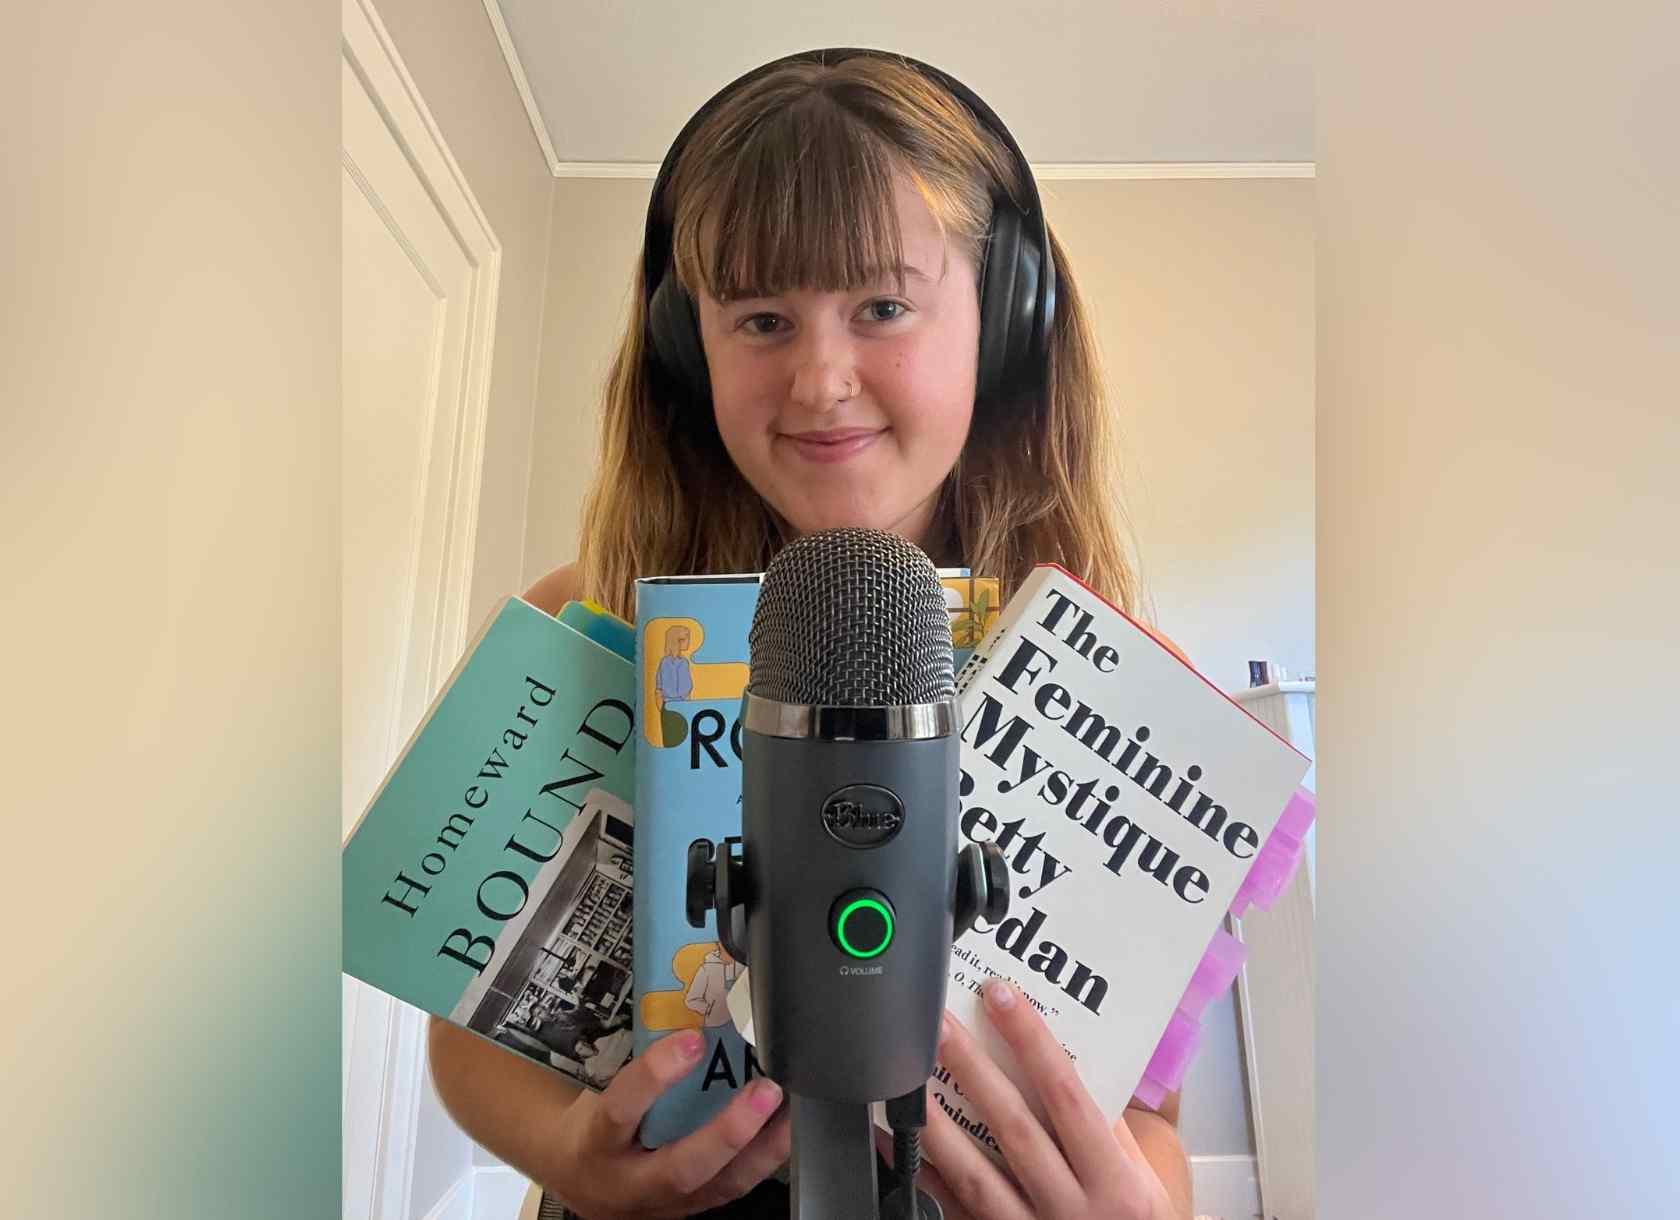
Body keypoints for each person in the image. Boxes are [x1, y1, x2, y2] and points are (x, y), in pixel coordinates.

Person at [428, 49, 1192, 1220]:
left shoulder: (1117, 677)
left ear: (1007, 321)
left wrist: (1151, 1206)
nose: (821, 378)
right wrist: (569, 1154)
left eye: (883, 306)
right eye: (763, 317)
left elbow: (1150, 1114)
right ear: (692, 348)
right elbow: (470, 1040)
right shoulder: (588, 618)